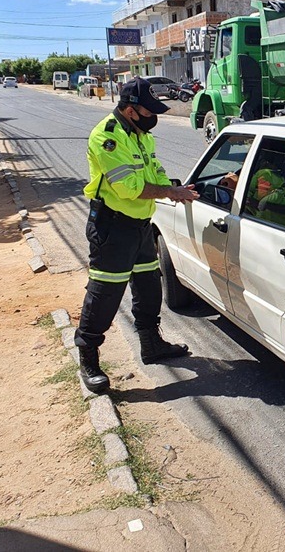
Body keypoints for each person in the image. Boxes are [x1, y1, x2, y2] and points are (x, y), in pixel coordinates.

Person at [75, 77, 199, 393]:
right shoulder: (108, 137)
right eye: (148, 110)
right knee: (105, 294)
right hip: (113, 228)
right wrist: (169, 192)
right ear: (131, 110)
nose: (153, 116)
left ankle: (151, 342)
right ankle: (88, 357)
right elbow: (129, 188)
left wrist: (175, 188)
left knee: (148, 286)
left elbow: (153, 171)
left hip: (141, 226)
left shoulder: (140, 134)